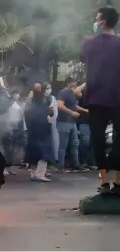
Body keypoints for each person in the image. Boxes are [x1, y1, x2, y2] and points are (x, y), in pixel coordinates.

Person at [80, 6, 120, 195]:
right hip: (118, 98)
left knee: (97, 140)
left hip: (95, 98)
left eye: (96, 19)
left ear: (102, 22)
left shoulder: (88, 44)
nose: (95, 22)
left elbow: (84, 59)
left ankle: (104, 182)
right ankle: (118, 183)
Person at [56, 77, 89, 173]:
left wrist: (83, 110)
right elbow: (59, 105)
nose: (75, 85)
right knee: (63, 145)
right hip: (63, 122)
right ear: (67, 84)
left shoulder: (72, 94)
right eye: (73, 83)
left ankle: (76, 164)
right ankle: (60, 166)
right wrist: (72, 113)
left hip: (72, 123)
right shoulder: (62, 93)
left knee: (75, 144)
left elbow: (74, 105)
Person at [24, 83, 54, 182]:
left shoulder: (39, 100)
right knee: (42, 152)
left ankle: (35, 174)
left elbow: (50, 112)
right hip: (39, 130)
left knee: (35, 151)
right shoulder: (35, 100)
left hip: (37, 129)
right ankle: (39, 174)